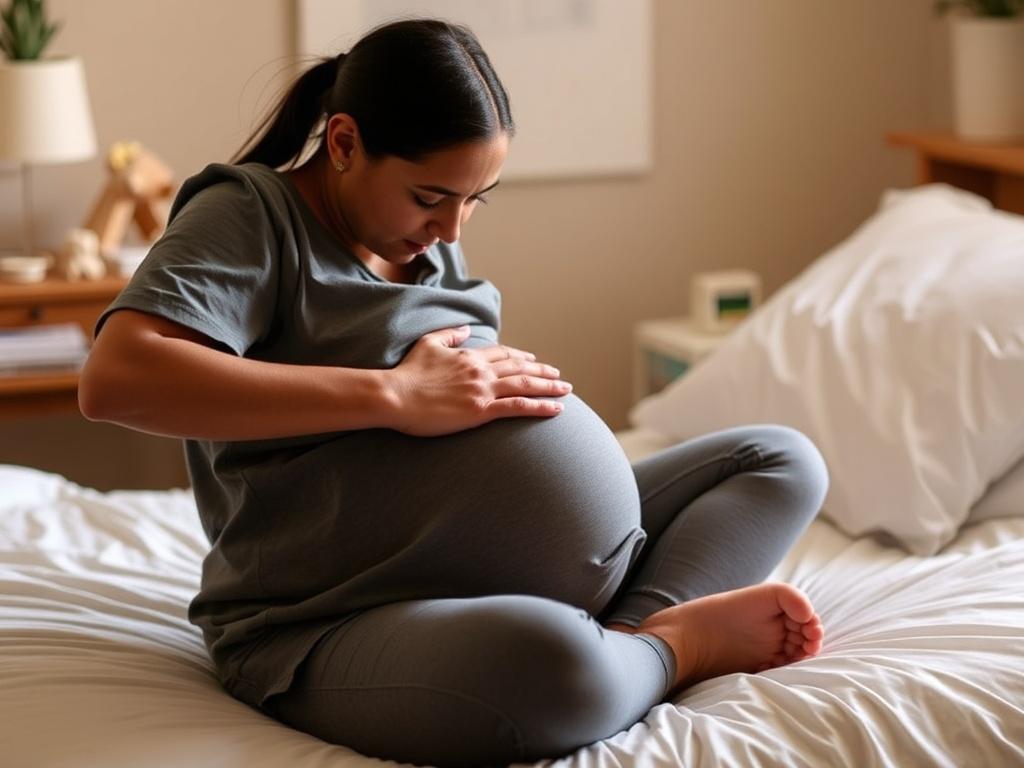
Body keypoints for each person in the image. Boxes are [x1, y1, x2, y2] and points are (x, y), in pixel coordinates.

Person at [78, 18, 829, 768]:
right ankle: (670, 651)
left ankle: (629, 640)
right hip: (334, 614)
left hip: (488, 571)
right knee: (550, 668)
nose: (450, 228)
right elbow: (117, 378)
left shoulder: (417, 237)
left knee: (781, 461)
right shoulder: (252, 215)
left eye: (477, 200)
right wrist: (392, 395)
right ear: (343, 143)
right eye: (430, 196)